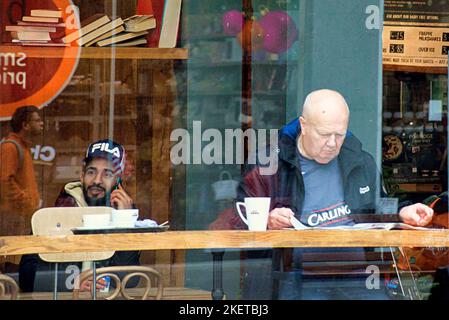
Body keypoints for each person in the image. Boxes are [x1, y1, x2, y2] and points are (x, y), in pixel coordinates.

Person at [210, 89, 434, 299]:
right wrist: (268, 220)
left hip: (357, 274)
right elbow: (238, 217)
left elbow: (376, 209)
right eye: (324, 134)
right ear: (304, 125)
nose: (332, 143)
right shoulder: (269, 163)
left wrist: (402, 212)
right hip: (297, 274)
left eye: (340, 134)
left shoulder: (359, 160)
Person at [19, 139, 140, 292]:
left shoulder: (125, 214)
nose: (97, 180)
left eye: (107, 174)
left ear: (118, 180)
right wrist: (70, 284)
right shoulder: (59, 211)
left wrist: (125, 223)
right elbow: (26, 277)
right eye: (91, 172)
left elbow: (130, 280)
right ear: (82, 176)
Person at [0, 106, 43, 272]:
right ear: (25, 125)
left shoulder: (22, 147)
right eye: (37, 120)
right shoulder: (10, 147)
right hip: (13, 218)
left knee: (16, 263)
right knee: (11, 264)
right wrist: (27, 203)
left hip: (20, 217)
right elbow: (4, 182)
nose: (42, 123)